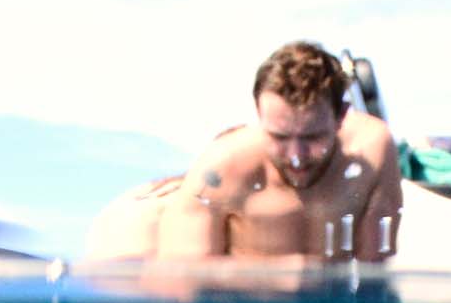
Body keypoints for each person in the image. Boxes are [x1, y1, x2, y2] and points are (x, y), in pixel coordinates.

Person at [154, 41, 403, 263]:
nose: (296, 155)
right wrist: (280, 277)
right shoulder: (222, 168)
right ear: (259, 115)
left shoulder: (373, 151)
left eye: (313, 137)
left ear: (341, 116)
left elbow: (374, 270)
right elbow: (180, 279)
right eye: (279, 137)